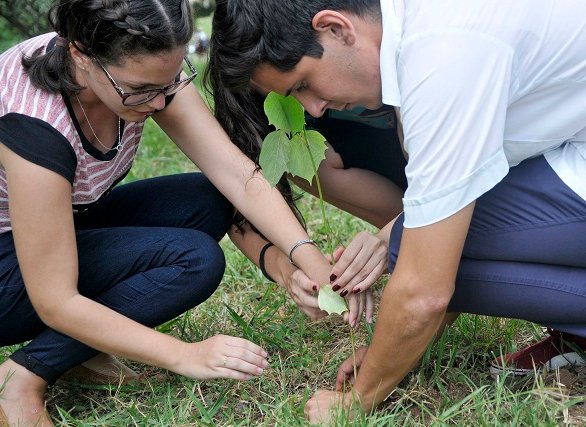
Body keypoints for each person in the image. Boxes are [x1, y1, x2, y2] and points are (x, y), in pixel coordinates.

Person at [208, 0, 586, 423]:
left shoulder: (441, 58)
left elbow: (425, 290)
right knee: (411, 242)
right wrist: (390, 345)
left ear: (336, 29)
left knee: (420, 251)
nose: (313, 109)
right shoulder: (413, 29)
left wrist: (361, 396)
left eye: (303, 85)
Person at [0, 0, 368, 425]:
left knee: (211, 196)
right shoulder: (34, 124)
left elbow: (233, 173)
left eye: (170, 83)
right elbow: (55, 300)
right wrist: (186, 355)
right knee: (193, 260)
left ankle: (84, 348)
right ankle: (23, 374)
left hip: (59, 222)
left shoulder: (140, 72)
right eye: (139, 92)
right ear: (81, 54)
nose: (159, 103)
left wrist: (307, 261)